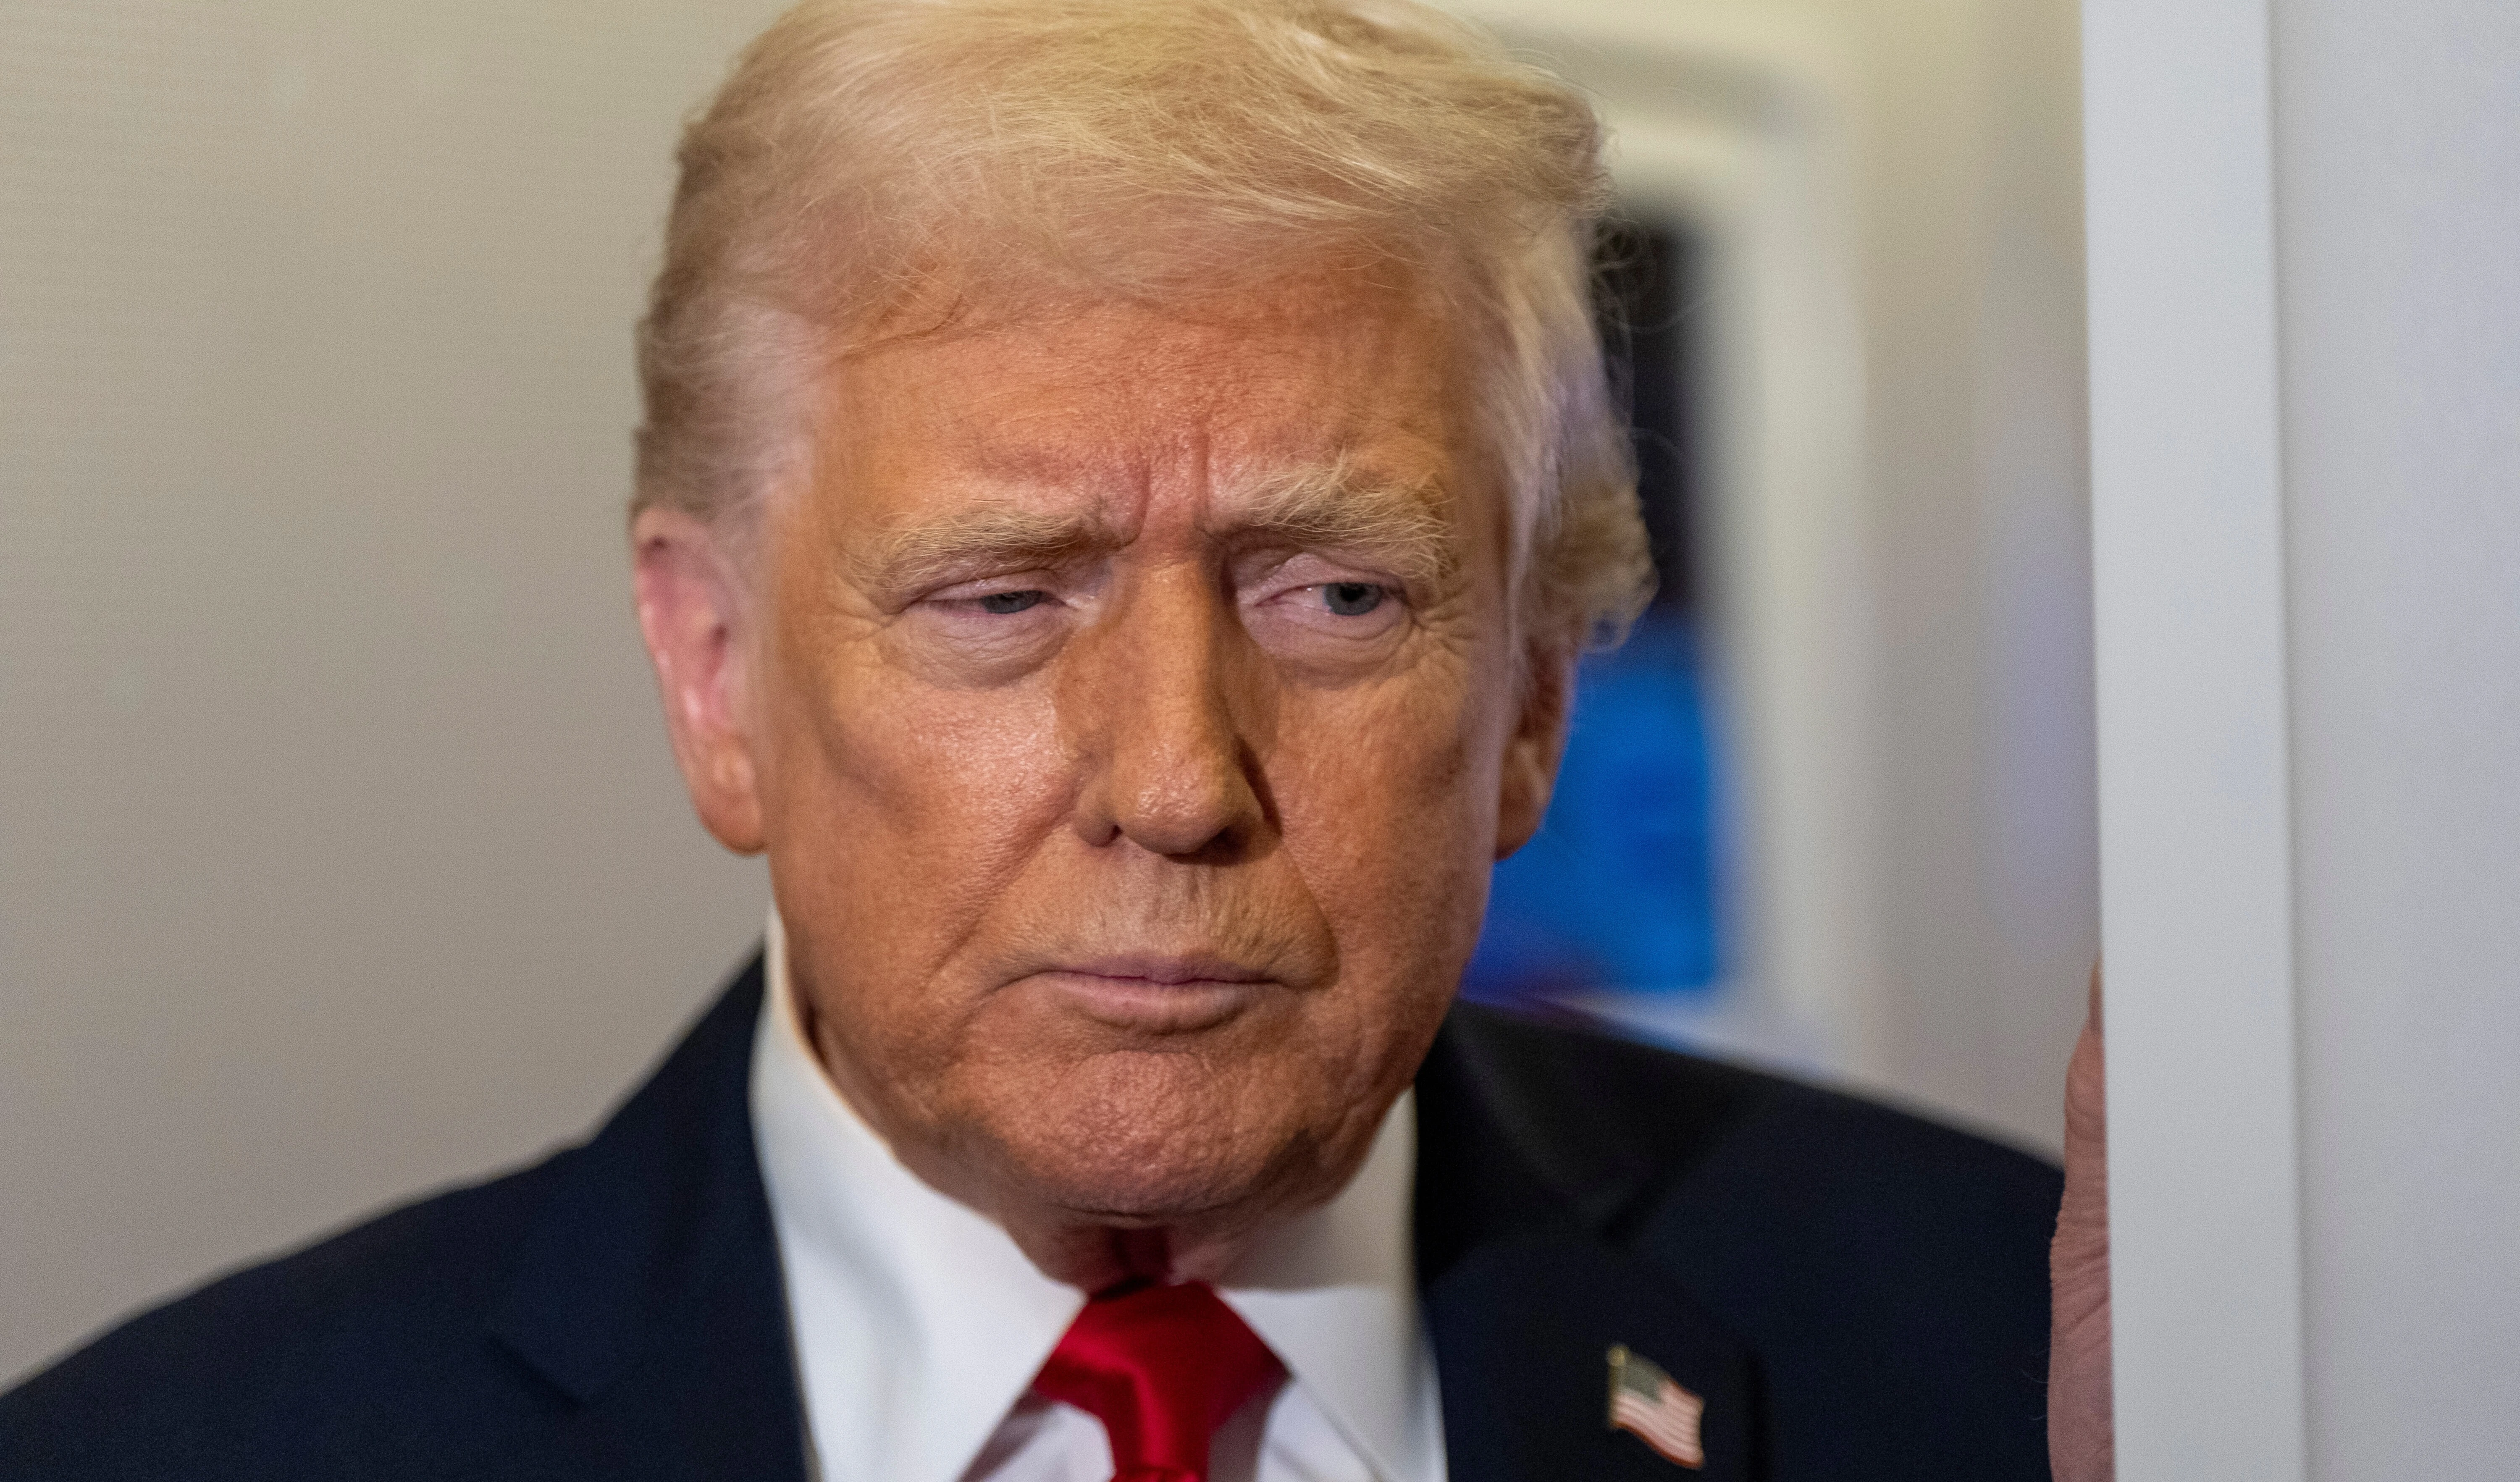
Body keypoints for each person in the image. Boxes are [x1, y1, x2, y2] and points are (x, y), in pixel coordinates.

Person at [0, 2, 2110, 1478]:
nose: (1180, 783)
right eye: (1006, 598)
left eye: (1340, 595)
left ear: (1540, 695)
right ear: (715, 669)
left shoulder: (2012, 1362)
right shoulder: (178, 1450)